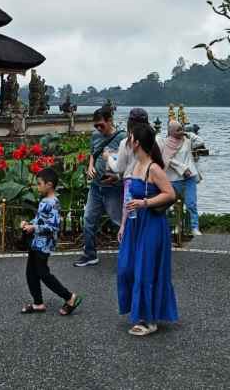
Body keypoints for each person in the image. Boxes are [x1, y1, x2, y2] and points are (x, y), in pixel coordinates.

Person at [117, 123, 178, 336]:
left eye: (130, 137)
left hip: (151, 224)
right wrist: (123, 224)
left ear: (136, 142)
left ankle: (150, 320)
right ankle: (139, 310)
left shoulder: (153, 168)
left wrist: (145, 203)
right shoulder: (136, 165)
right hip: (135, 223)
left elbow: (170, 194)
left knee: (146, 269)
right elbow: (129, 198)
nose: (128, 140)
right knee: (127, 268)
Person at [20, 168, 83, 316]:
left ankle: (70, 297)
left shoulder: (53, 203)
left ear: (49, 185)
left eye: (39, 184)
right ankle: (38, 303)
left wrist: (34, 227)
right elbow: (40, 220)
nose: (37, 187)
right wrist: (29, 224)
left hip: (44, 244)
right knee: (31, 273)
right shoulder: (44, 201)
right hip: (36, 242)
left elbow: (53, 226)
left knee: (43, 273)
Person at [73, 106, 126, 267]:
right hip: (96, 186)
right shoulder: (96, 135)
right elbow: (93, 153)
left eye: (101, 125)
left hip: (114, 187)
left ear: (110, 121)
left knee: (118, 221)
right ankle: (89, 254)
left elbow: (128, 163)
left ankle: (128, 254)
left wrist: (117, 177)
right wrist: (90, 166)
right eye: (96, 126)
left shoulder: (122, 138)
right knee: (88, 219)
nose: (98, 129)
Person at [159, 121, 203, 235]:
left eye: (181, 129)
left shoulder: (187, 141)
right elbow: (167, 160)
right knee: (171, 205)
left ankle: (194, 227)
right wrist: (182, 169)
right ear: (171, 131)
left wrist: (189, 134)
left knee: (191, 203)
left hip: (189, 177)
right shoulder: (165, 143)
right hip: (173, 178)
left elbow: (200, 142)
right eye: (178, 130)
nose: (181, 131)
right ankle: (175, 227)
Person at [115, 107, 150, 207]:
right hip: (151, 184)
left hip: (131, 184)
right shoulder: (156, 141)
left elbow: (120, 168)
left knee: (130, 213)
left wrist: (108, 157)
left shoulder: (125, 143)